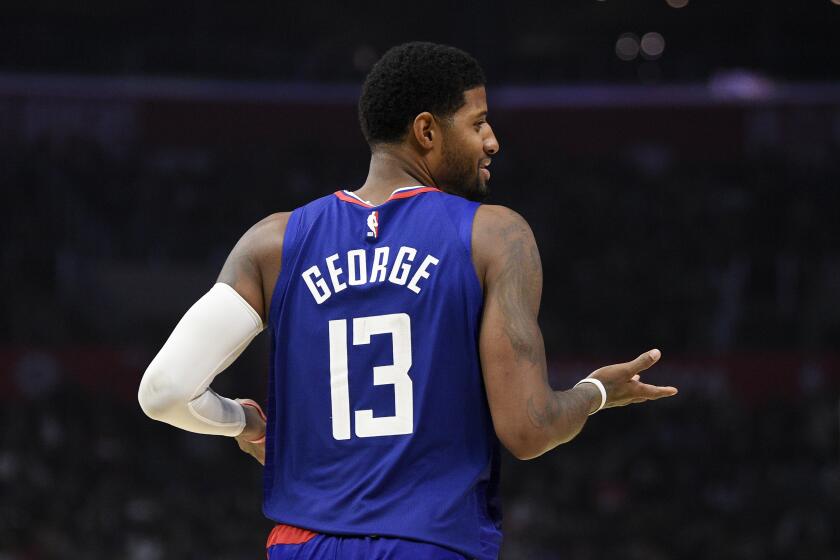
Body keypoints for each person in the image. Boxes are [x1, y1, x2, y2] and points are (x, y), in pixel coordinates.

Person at [137, 42, 678, 560]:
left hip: (303, 545)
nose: (493, 141)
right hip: (428, 542)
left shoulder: (274, 244)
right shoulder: (494, 236)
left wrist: (244, 423)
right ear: (426, 130)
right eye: (478, 123)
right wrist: (595, 393)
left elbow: (164, 392)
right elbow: (528, 429)